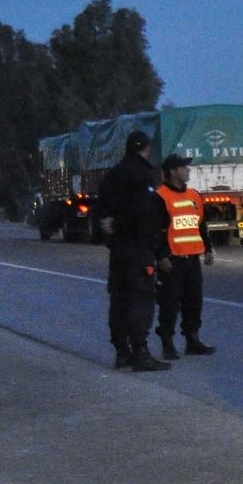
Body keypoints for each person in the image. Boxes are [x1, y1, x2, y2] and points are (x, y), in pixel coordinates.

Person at [96, 130, 171, 372]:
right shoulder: (144, 175)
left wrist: (108, 224)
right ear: (146, 149)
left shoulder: (113, 174)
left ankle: (122, 352)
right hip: (138, 247)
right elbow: (143, 211)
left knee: (119, 299)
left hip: (118, 249)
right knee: (141, 299)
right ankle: (140, 352)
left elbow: (100, 206)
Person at [154, 153, 216, 359]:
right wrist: (161, 256)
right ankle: (167, 343)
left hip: (192, 259)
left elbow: (201, 225)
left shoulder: (194, 196)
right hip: (172, 261)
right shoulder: (160, 196)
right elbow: (157, 231)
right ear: (173, 172)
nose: (188, 170)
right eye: (184, 167)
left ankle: (192, 339)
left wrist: (208, 249)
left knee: (193, 301)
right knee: (169, 303)